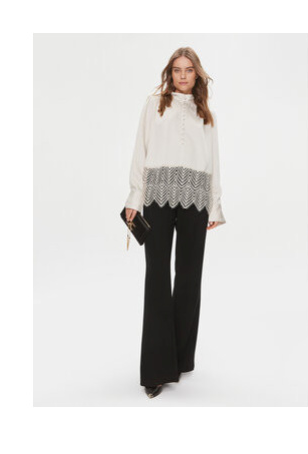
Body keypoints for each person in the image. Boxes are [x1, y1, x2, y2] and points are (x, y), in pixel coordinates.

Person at [124, 47, 226, 399]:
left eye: (189, 70)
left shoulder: (206, 114)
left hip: (196, 199)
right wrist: (134, 198)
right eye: (177, 70)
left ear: (197, 75)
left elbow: (213, 161)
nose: (183, 75)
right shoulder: (154, 105)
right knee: (156, 276)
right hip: (156, 197)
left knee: (189, 277)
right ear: (170, 73)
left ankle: (180, 358)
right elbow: (140, 150)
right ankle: (155, 369)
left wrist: (214, 206)